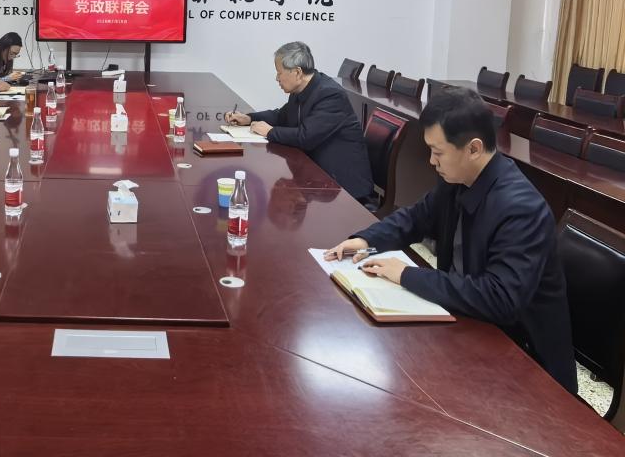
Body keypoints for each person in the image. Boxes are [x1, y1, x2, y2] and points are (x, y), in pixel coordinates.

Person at [324, 87, 577, 393]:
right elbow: (415, 218)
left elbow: (500, 299)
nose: (432, 161)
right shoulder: (458, 180)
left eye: (438, 152)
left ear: (473, 149)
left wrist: (406, 275)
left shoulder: (521, 209)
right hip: (470, 327)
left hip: (526, 363)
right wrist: (366, 240)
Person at [226, 42, 374, 204]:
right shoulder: (302, 89)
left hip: (343, 190)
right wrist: (249, 118)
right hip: (318, 178)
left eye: (279, 73)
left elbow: (306, 137)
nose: (277, 78)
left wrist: (270, 132)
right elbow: (282, 116)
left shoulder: (330, 95)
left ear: (297, 72)